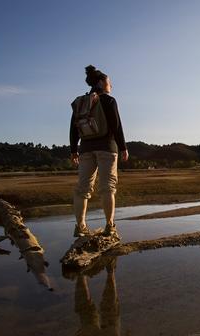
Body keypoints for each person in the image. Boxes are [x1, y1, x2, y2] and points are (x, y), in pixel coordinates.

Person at [70, 65, 129, 239]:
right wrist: (123, 147)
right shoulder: (108, 100)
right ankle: (110, 227)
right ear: (102, 82)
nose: (111, 85)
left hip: (85, 149)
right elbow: (116, 126)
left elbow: (73, 128)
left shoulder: (81, 101)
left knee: (82, 189)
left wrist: (74, 149)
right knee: (107, 188)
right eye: (109, 82)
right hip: (106, 148)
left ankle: (80, 227)